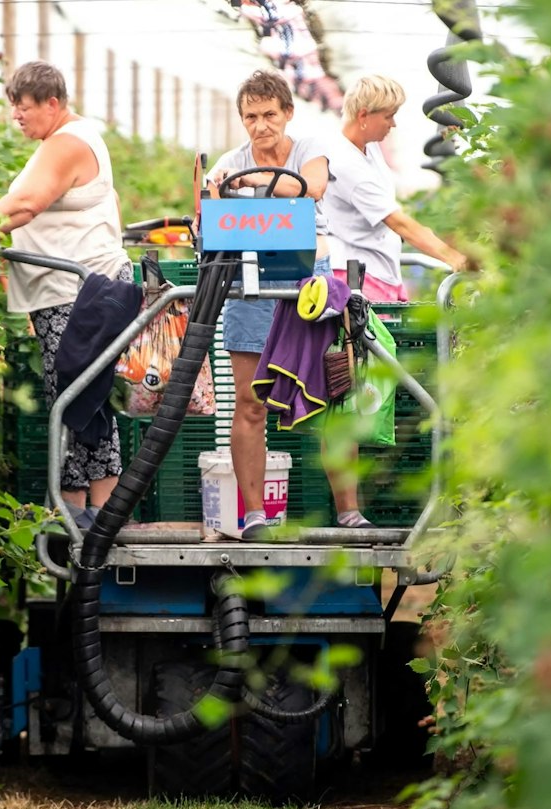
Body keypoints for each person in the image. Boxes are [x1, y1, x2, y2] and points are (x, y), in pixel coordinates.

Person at [201, 70, 343, 541]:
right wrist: (216, 187)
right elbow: (211, 219)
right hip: (250, 285)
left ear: (287, 113)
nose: (260, 126)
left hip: (307, 285)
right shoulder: (230, 162)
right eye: (250, 117)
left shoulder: (309, 151)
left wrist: (257, 180)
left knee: (329, 397)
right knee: (249, 401)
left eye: (267, 115)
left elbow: (313, 187)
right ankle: (255, 514)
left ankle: (348, 512)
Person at [0, 61, 133, 530]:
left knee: (76, 397)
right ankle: (82, 511)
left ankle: (88, 516)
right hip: (74, 290)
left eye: (24, 107)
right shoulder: (74, 139)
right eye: (13, 106)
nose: (17, 116)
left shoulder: (67, 143)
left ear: (52, 103)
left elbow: (26, 204)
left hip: (78, 291)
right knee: (77, 395)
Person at [316, 74, 472, 303]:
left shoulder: (368, 148)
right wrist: (454, 258)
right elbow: (398, 222)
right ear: (363, 116)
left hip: (380, 272)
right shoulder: (345, 163)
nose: (393, 124)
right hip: (360, 279)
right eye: (388, 116)